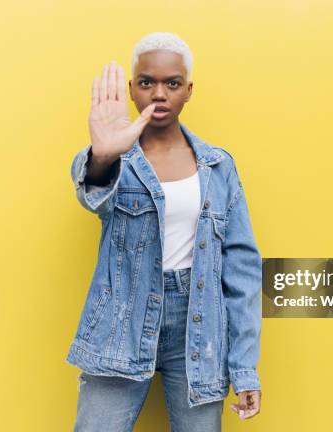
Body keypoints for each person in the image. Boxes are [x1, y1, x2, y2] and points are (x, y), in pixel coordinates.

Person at [67, 32, 262, 431]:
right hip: (122, 321)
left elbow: (242, 269)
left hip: (199, 327)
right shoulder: (115, 158)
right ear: (131, 89)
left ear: (188, 90)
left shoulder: (217, 166)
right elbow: (91, 195)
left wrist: (245, 369)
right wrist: (104, 156)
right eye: (146, 82)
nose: (159, 93)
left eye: (172, 83)